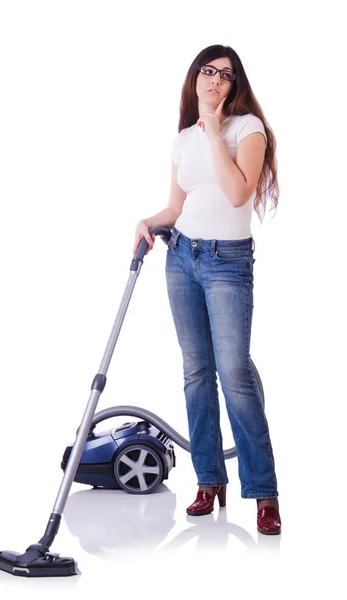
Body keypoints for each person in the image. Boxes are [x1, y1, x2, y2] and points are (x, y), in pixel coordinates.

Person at [133, 44, 281, 535]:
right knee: (196, 371)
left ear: (235, 86)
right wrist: (148, 221)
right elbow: (177, 207)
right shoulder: (181, 139)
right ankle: (208, 481)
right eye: (209, 71)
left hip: (227, 264)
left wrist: (216, 131)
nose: (216, 79)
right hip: (182, 259)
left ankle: (263, 491)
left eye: (227, 75)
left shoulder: (247, 130)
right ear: (195, 76)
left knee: (234, 372)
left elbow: (239, 192)